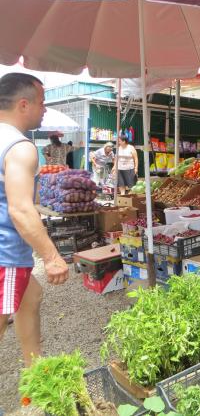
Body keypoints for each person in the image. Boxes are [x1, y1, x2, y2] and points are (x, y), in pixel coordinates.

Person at [0, 73, 69, 366]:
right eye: (42, 103)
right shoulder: (19, 146)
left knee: (32, 295)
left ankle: (35, 368)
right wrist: (51, 257)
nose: (45, 110)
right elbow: (21, 209)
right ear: (24, 105)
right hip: (6, 254)